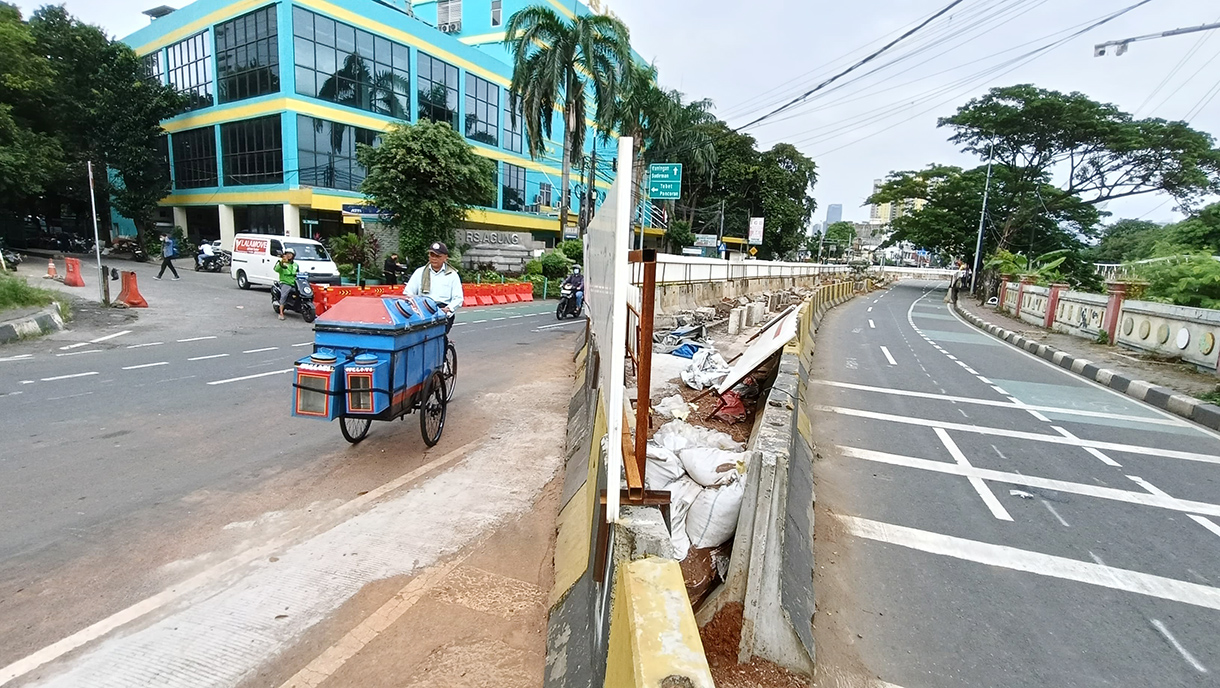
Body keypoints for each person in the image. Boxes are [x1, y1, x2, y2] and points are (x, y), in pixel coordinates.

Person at [405, 242, 463, 333]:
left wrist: (448, 309)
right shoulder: (419, 272)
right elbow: (408, 293)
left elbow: (458, 298)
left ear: (445, 257)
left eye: (438, 256)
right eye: (432, 255)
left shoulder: (452, 275)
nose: (434, 258)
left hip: (442, 310)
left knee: (439, 337)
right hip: (422, 310)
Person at [273, 249, 299, 320]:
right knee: (284, 295)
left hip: (294, 283)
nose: (289, 255)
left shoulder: (295, 265)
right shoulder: (282, 263)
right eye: (287, 254)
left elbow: (298, 273)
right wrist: (281, 262)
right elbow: (276, 269)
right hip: (285, 283)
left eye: (290, 254)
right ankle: (281, 313)